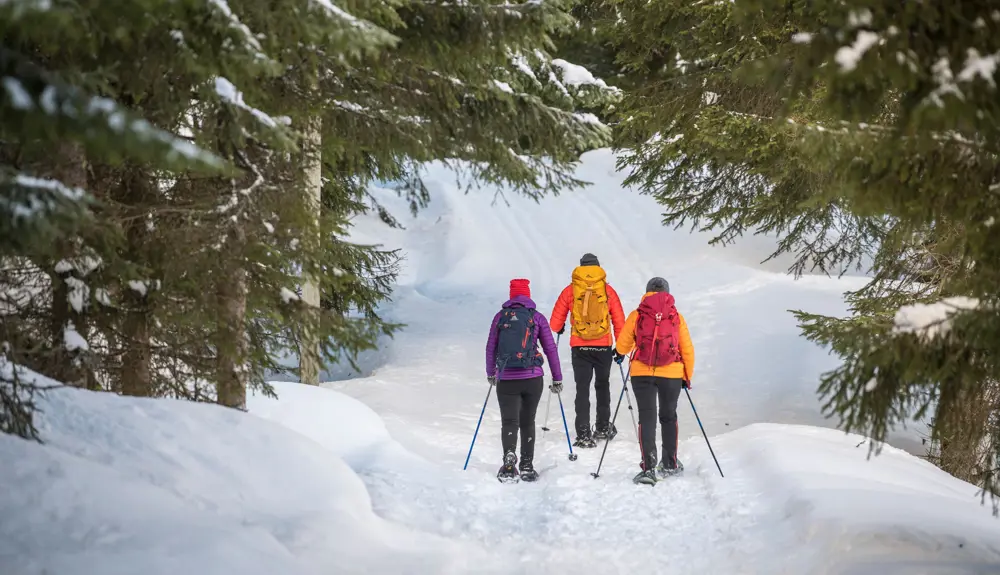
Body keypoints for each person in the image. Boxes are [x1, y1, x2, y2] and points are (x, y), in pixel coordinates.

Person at [614, 277, 695, 485]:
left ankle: (648, 468)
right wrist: (687, 376)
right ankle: (669, 463)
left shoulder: (638, 314)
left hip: (642, 373)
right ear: (667, 292)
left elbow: (623, 344)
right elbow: (687, 349)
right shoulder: (676, 316)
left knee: (647, 417)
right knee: (669, 416)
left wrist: (620, 352)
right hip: (672, 374)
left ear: (647, 291)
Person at [485, 278, 563, 483]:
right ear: (527, 295)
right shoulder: (536, 317)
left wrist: (490, 372)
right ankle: (527, 465)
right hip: (532, 377)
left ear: (511, 295)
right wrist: (557, 377)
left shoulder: (500, 317)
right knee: (528, 422)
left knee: (509, 421)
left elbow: (490, 347)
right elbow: (550, 348)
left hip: (506, 378)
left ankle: (509, 460)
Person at [549, 253, 625, 448]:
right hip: (604, 347)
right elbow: (619, 321)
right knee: (602, 385)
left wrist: (561, 328)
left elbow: (555, 323)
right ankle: (602, 427)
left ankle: (583, 433)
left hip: (580, 346)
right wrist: (622, 348)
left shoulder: (571, 290)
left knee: (582, 389)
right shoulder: (607, 290)